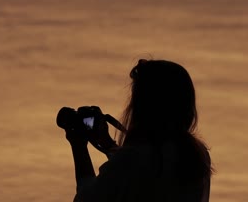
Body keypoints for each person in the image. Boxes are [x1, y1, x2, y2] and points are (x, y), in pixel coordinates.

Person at [64, 59, 213, 202]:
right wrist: (110, 146)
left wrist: (79, 147)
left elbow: (87, 199)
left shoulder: (133, 158)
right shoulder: (196, 156)